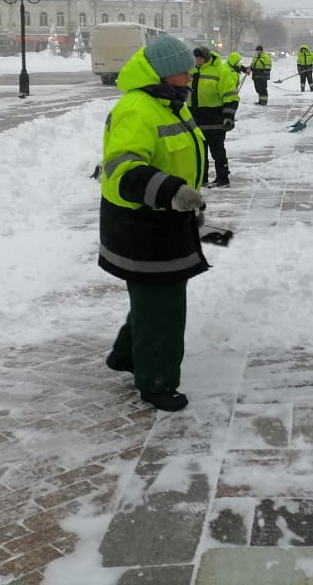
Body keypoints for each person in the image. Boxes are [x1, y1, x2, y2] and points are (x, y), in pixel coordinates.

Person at [99, 34, 209, 413]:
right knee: (162, 305)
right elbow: (121, 169)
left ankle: (126, 355)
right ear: (162, 74)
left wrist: (185, 198)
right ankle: (156, 382)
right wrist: (172, 191)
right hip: (142, 225)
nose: (190, 77)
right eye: (183, 71)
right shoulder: (138, 109)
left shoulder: (168, 103)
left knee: (152, 298)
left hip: (164, 221)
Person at [190, 46, 239, 187]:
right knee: (199, 152)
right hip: (195, 119)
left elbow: (230, 96)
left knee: (217, 151)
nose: (198, 60)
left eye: (200, 58)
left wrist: (228, 116)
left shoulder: (220, 72)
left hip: (215, 120)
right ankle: (202, 179)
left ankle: (222, 178)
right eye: (196, 58)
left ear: (206, 58)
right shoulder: (190, 71)